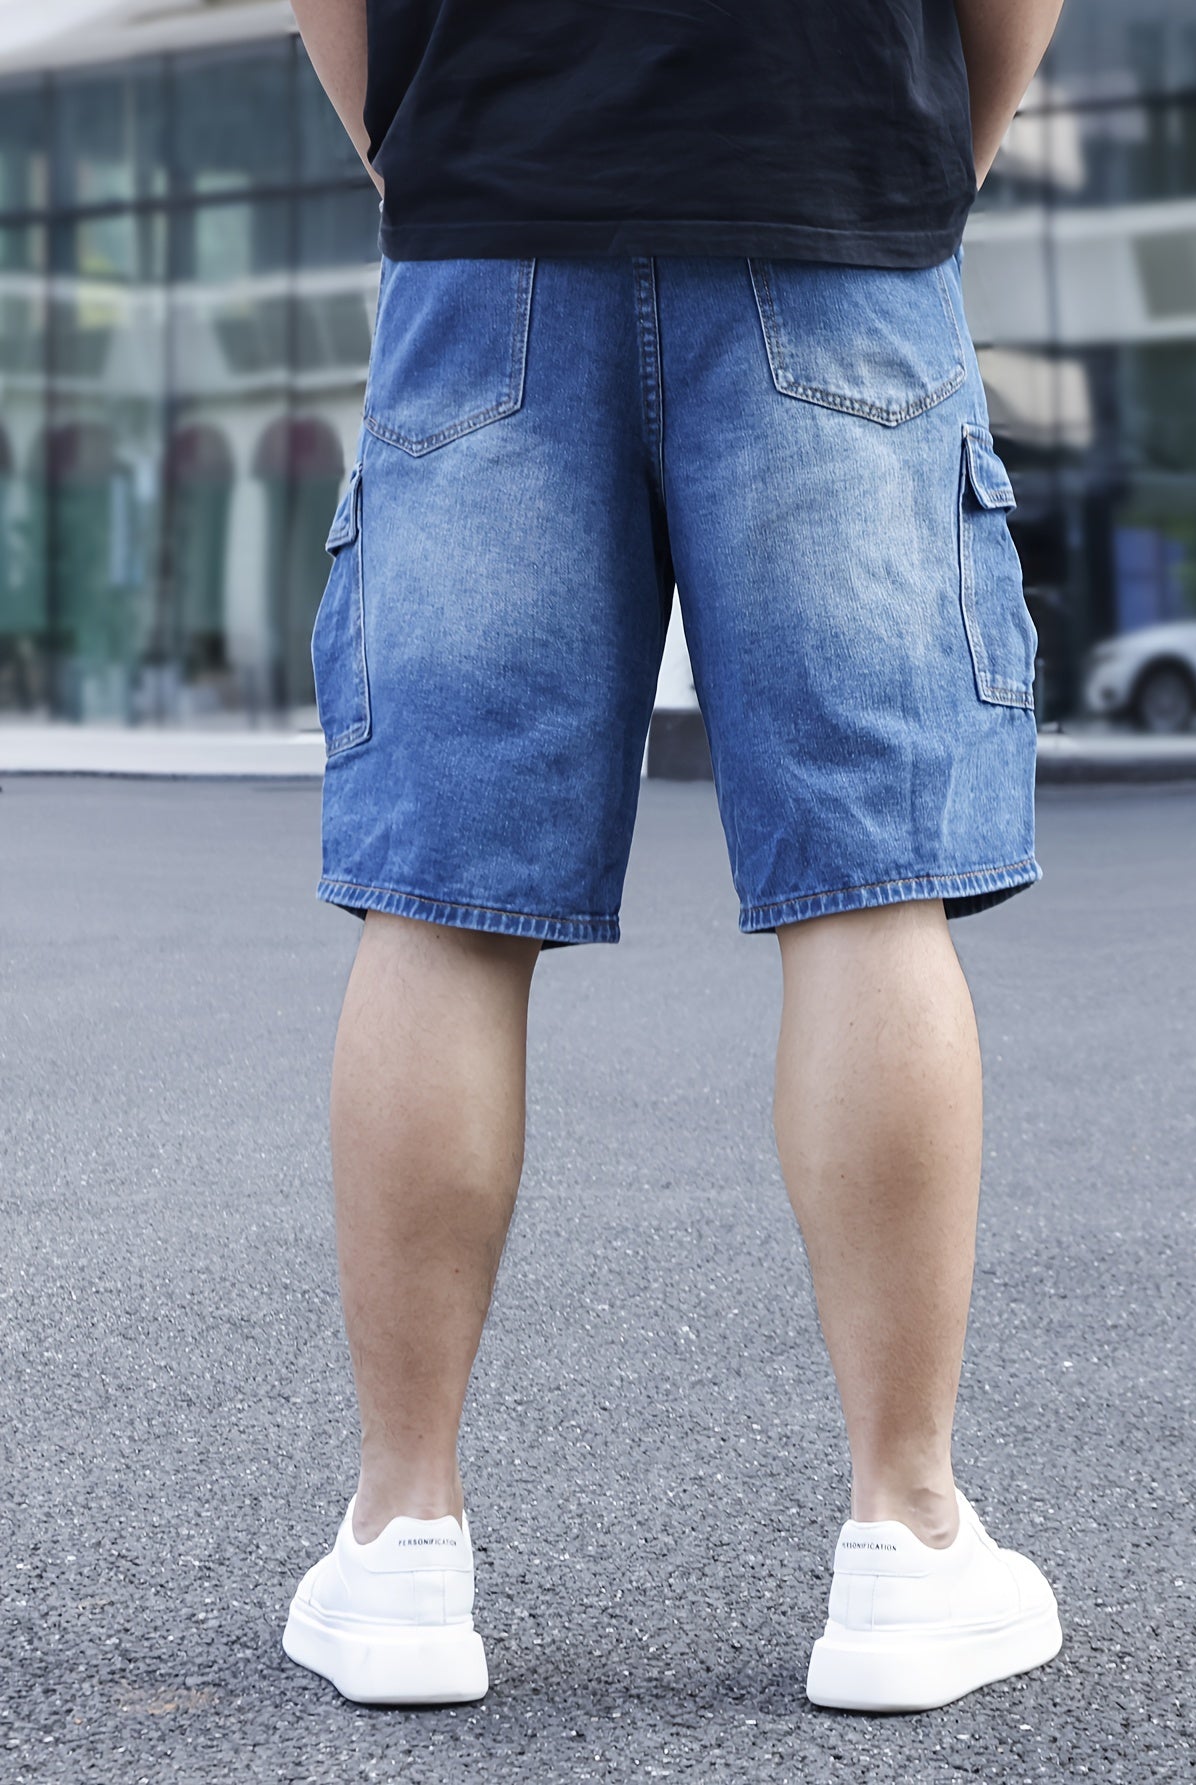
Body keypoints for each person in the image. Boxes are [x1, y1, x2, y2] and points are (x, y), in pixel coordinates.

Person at [283, 0, 1067, 1715]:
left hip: (490, 219)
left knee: (440, 902)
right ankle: (905, 1543)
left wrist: (423, 142)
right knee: (871, 886)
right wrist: (936, 139)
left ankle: (403, 1541)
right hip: (831, 191)